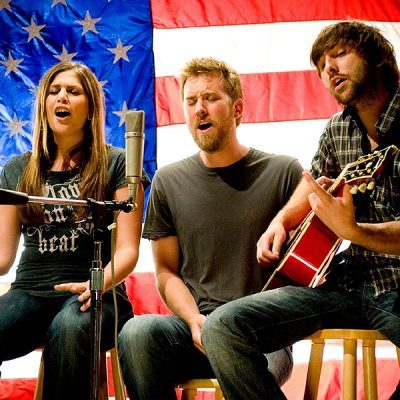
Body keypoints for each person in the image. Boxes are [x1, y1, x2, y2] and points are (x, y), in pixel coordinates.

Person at [201, 20, 400, 400]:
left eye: (339, 54)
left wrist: (355, 231)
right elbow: (314, 182)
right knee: (223, 327)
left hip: (397, 283)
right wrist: (281, 222)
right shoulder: (338, 130)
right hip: (349, 282)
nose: (329, 69)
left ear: (377, 58)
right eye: (322, 65)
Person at [118, 57, 303, 399]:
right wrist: (193, 320)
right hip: (197, 330)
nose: (199, 108)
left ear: (237, 109)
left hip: (262, 337)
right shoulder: (168, 181)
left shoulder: (284, 172)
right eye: (191, 101)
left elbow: (304, 271)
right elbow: (166, 272)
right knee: (136, 332)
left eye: (211, 98)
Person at [0, 61, 149, 399]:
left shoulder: (118, 163)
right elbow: (3, 257)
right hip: (30, 293)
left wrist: (97, 284)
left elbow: (128, 250)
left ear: (91, 108)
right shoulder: (17, 169)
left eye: (73, 91)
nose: (62, 97)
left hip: (99, 295)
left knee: (68, 328)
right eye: (54, 91)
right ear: (44, 105)